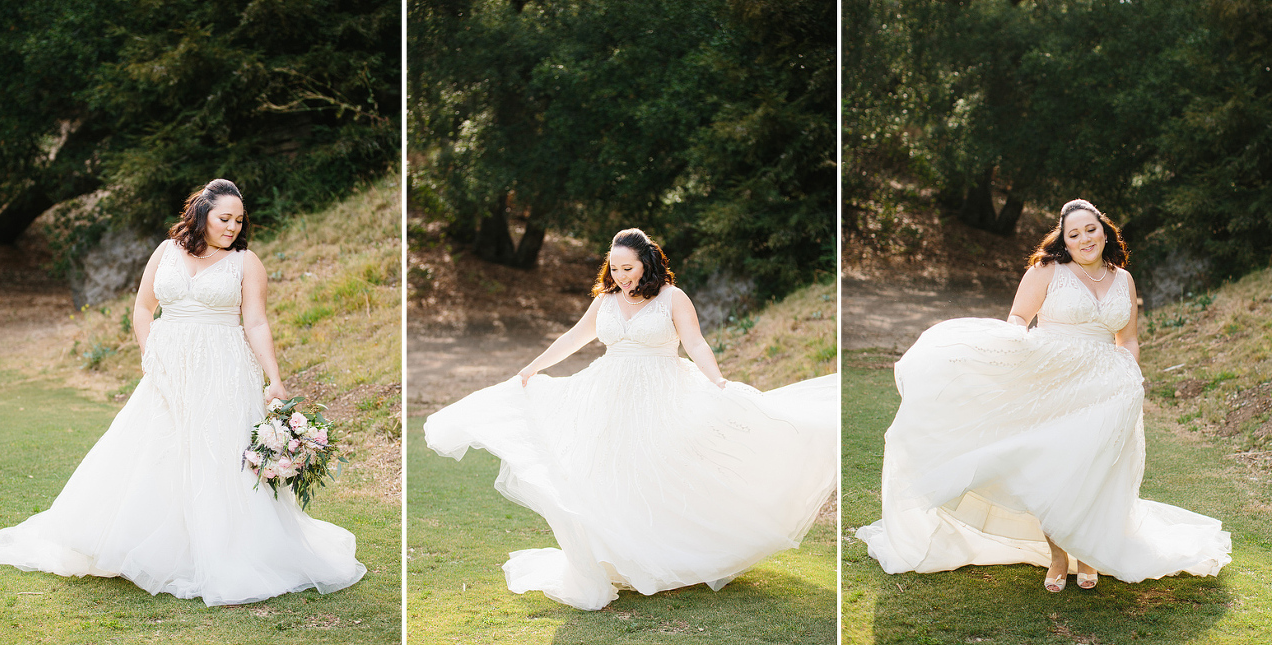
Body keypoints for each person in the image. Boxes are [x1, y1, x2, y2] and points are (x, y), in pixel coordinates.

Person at [0, 179, 366, 606]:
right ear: (201, 213)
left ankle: (216, 551)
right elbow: (142, 308)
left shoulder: (246, 263)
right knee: (154, 451)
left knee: (215, 457)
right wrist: (151, 356)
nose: (231, 227)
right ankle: (138, 543)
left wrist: (274, 379)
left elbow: (257, 323)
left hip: (222, 370)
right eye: (224, 218)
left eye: (238, 220)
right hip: (166, 368)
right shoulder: (167, 250)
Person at [424, 228, 837, 610]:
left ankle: (673, 559)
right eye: (615, 268)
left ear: (648, 263)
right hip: (609, 395)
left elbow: (695, 342)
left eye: (629, 268)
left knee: (664, 472)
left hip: (663, 394)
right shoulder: (605, 300)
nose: (621, 276)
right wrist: (531, 368)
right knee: (611, 475)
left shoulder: (673, 298)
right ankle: (623, 562)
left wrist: (717, 380)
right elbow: (573, 338)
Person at [855, 199, 1231, 592]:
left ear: (1104, 232)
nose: (1084, 238)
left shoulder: (1124, 279)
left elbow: (1129, 338)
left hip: (1110, 386)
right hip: (1056, 379)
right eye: (1074, 234)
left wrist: (1130, 375)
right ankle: (1057, 555)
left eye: (1091, 230)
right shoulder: (1047, 271)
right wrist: (1018, 348)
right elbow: (1018, 318)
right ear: (1064, 242)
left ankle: (1089, 553)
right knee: (1055, 467)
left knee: (1098, 467)